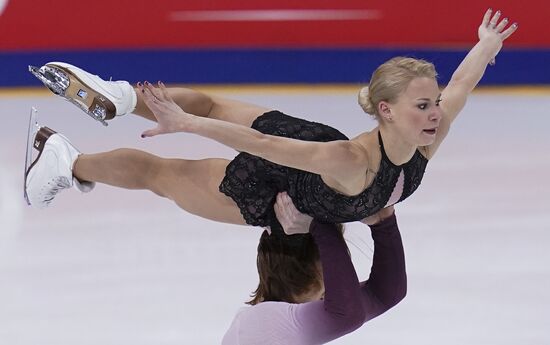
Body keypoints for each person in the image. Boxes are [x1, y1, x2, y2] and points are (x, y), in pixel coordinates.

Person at [26, 10, 516, 234]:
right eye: (422, 106)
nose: (435, 113)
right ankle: (70, 161)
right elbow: (261, 144)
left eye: (432, 104)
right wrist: (186, 125)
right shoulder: (351, 161)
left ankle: (122, 97)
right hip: (270, 179)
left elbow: (460, 87)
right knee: (162, 176)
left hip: (305, 138)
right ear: (386, 111)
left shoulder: (426, 137)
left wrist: (486, 46)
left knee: (213, 103)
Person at [224, 192, 403, 344]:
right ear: (295, 278)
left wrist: (384, 223)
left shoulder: (269, 324)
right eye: (325, 293)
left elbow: (383, 295)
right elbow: (347, 314)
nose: (333, 298)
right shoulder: (259, 324)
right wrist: (320, 228)